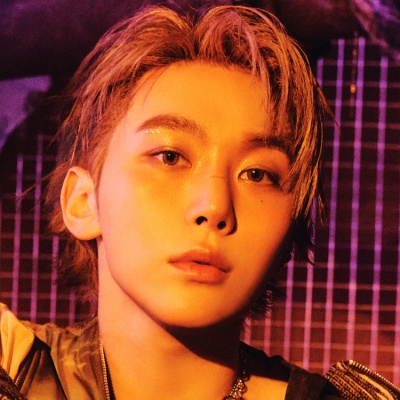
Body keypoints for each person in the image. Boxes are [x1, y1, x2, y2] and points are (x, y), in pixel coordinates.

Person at [0, 4, 398, 400]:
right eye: (170, 156)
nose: (214, 206)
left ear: (292, 232)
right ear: (83, 201)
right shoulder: (12, 365)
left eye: (258, 174)